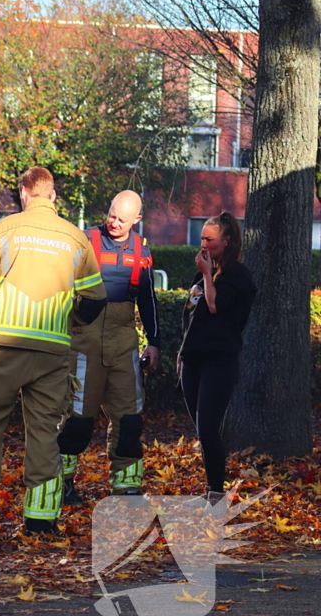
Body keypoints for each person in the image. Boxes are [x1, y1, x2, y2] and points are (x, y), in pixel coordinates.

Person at [0, 167, 107, 534]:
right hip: (52, 356)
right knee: (45, 435)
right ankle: (40, 522)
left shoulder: (3, 230)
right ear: (52, 195)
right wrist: (66, 323)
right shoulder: (76, 238)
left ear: (25, 192)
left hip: (1, 351)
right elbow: (94, 299)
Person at [56, 190, 160, 503]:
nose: (114, 223)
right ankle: (61, 483)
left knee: (130, 417)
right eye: (112, 215)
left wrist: (154, 341)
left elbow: (148, 298)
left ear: (137, 220)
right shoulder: (84, 240)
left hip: (124, 339)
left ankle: (126, 486)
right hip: (84, 339)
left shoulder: (141, 249)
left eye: (122, 219)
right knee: (77, 416)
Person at [178, 212, 256, 503]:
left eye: (210, 239)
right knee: (201, 427)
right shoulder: (203, 273)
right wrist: (181, 353)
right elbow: (191, 314)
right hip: (193, 359)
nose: (204, 244)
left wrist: (208, 275)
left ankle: (216, 493)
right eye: (201, 238)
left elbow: (215, 306)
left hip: (219, 361)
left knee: (209, 427)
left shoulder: (238, 275)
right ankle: (211, 489)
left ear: (227, 240)